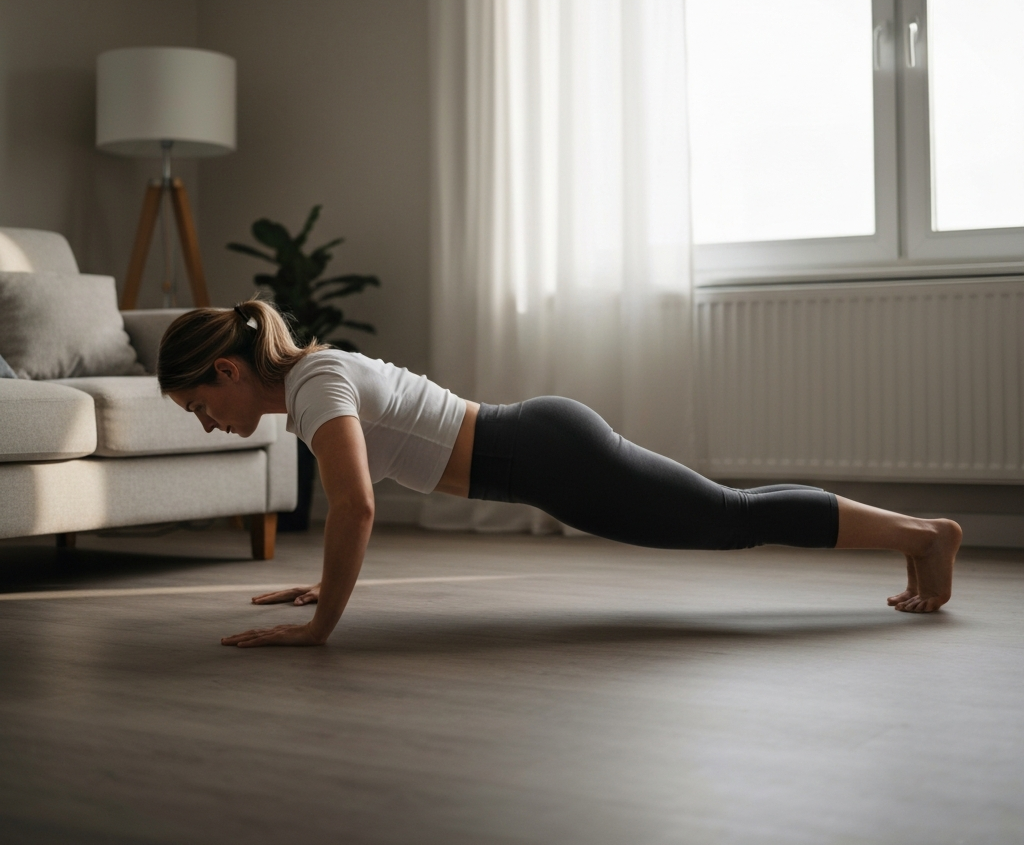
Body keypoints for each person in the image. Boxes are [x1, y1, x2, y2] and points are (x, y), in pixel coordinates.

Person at [158, 301, 963, 648]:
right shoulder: (312, 383)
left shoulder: (313, 385)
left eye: (198, 404)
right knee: (727, 520)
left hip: (546, 455)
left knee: (731, 518)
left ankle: (926, 535)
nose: (206, 423)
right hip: (541, 456)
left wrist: (321, 625)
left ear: (228, 371)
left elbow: (355, 508)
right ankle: (919, 536)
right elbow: (352, 511)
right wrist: (327, 587)